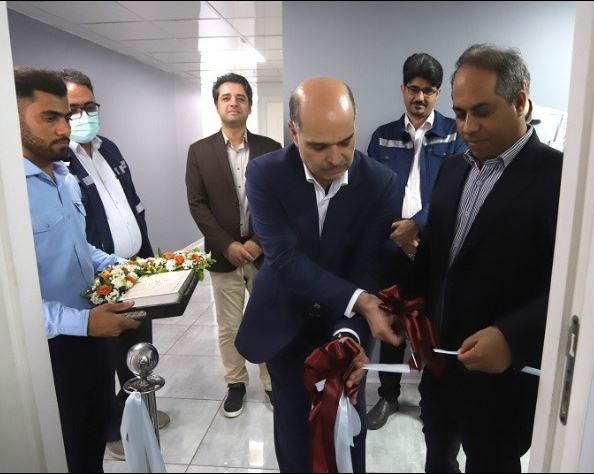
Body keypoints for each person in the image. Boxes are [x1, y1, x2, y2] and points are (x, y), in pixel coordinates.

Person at [235, 77, 404, 472]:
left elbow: (368, 268)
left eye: (345, 141)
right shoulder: (265, 174)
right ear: (294, 132)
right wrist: (362, 301)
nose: (336, 157)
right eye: (319, 146)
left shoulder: (380, 183)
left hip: (346, 327)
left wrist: (349, 337)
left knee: (346, 431)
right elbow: (285, 260)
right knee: (294, 433)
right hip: (284, 326)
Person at [408, 44, 562, 472]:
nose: (468, 127)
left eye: (482, 111)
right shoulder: (452, 170)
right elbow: (437, 259)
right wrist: (403, 305)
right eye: (459, 114)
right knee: (437, 458)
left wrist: (513, 337)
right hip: (441, 366)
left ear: (519, 100)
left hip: (503, 383)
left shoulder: (559, 178)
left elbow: (570, 289)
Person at [14, 66, 141, 472]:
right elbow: (8, 305)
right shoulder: (8, 194)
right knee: (65, 453)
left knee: (92, 445)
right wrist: (84, 324)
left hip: (92, 336)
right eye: (49, 117)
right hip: (49, 350)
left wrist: (125, 267)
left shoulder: (65, 177)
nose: (64, 128)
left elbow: (79, 247)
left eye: (66, 117)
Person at [59, 69, 166, 461]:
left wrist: (149, 263)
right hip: (100, 279)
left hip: (134, 267)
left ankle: (138, 409)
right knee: (105, 355)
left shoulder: (110, 149)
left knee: (136, 346)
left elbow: (133, 204)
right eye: (73, 109)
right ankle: (112, 429)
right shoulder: (61, 161)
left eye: (90, 106)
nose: (84, 116)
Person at [366, 53, 467, 430]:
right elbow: (373, 192)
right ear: (403, 89)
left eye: (428, 90)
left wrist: (417, 227)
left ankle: (431, 399)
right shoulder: (383, 136)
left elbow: (455, 191)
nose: (419, 97)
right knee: (391, 323)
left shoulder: (455, 134)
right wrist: (400, 234)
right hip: (392, 248)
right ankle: (389, 395)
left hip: (434, 250)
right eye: (413, 88)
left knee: (433, 324)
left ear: (438, 94)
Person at [186, 73, 281, 418]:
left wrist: (258, 242)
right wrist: (227, 245)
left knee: (268, 320)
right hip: (223, 255)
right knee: (229, 326)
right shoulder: (199, 152)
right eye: (226, 97)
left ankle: (271, 382)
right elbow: (198, 205)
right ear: (217, 105)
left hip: (263, 254)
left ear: (250, 105)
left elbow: (281, 201)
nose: (233, 103)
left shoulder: (272, 149)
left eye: (240, 97)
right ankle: (236, 382)